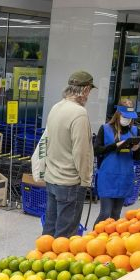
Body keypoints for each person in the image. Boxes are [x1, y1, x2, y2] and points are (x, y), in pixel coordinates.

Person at [43, 71, 95, 238]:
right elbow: (81, 152)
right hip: (69, 183)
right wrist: (86, 180)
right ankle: (57, 262)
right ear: (85, 90)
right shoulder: (79, 113)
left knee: (49, 230)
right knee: (65, 236)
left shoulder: (56, 107)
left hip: (52, 178)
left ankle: (41, 260)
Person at [94, 100, 140, 224]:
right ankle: (94, 240)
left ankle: (111, 240)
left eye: (130, 118)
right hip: (108, 176)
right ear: (118, 114)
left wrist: (136, 150)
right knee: (105, 213)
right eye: (125, 116)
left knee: (116, 214)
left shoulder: (135, 131)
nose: (128, 120)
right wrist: (115, 146)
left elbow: (137, 158)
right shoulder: (105, 129)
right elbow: (96, 150)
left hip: (124, 177)